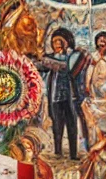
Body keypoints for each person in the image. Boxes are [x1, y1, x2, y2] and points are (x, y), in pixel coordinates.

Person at [37, 28, 88, 160]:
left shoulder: (72, 56)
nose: (57, 44)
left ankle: (73, 153)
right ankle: (58, 150)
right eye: (54, 42)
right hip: (55, 96)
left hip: (70, 97)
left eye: (60, 41)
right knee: (57, 124)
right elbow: (41, 66)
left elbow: (66, 67)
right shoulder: (50, 57)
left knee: (72, 125)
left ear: (67, 42)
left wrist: (46, 60)